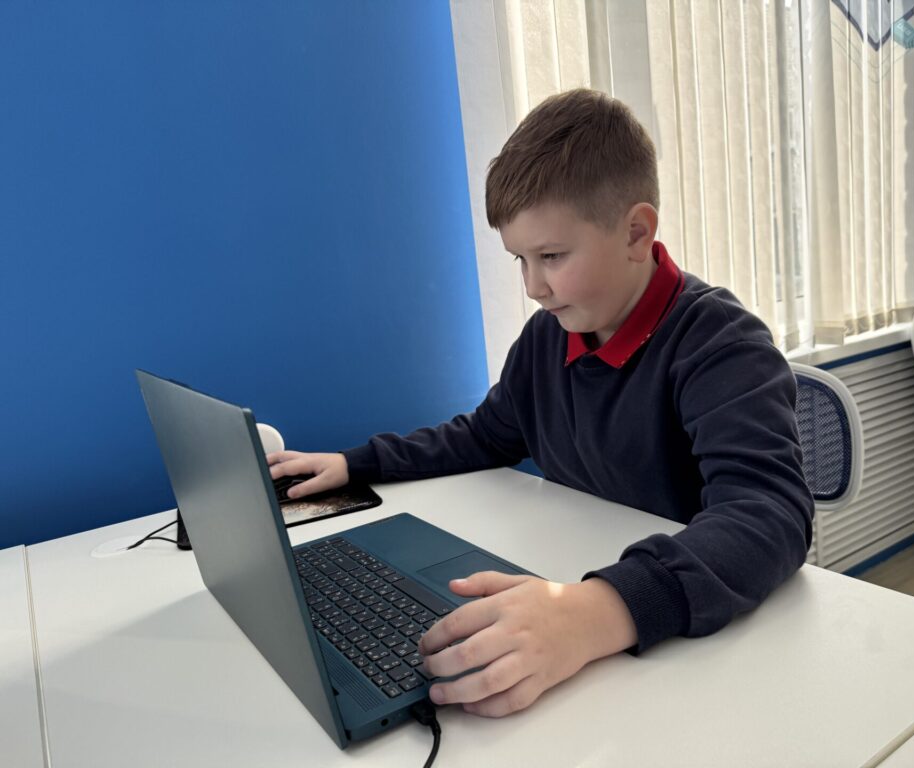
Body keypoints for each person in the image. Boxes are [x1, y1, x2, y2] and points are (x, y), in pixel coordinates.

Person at [268, 89, 814, 718]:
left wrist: (595, 610)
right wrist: (356, 463)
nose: (533, 287)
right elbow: (485, 436)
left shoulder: (721, 343)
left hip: (698, 650)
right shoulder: (547, 338)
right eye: (520, 260)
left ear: (636, 233)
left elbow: (768, 514)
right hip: (588, 602)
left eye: (552, 257)